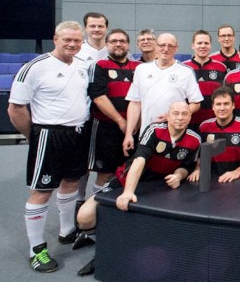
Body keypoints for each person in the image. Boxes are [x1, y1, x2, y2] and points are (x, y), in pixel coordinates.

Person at [74, 102, 201, 277]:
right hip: (127, 180)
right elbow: (139, 160)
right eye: (176, 114)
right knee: (85, 217)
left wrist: (178, 176)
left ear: (190, 117)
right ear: (168, 116)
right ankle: (101, 245)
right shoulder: (154, 131)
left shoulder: (195, 139)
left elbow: (186, 166)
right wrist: (128, 191)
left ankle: (106, 252)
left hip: (159, 186)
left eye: (184, 114)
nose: (180, 118)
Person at [7, 21, 90, 273]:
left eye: (77, 40)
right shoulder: (34, 67)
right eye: (67, 40)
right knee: (42, 191)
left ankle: (67, 231)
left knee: (71, 183)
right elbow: (15, 108)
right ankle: (36, 249)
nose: (73, 44)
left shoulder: (83, 67)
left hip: (77, 134)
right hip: (48, 135)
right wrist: (34, 137)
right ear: (56, 39)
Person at [123, 33, 203, 147]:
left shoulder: (186, 72)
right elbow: (135, 103)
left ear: (176, 48)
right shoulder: (141, 69)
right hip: (146, 134)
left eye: (170, 46)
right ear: (156, 46)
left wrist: (173, 115)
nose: (166, 49)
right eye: (162, 45)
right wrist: (128, 134)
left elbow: (196, 103)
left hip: (174, 136)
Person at [87, 28, 140, 195]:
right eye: (114, 41)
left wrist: (134, 124)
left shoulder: (139, 67)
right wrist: (120, 120)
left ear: (128, 45)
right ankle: (96, 208)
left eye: (122, 41)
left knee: (131, 170)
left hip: (134, 129)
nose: (118, 44)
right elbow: (98, 97)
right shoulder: (99, 66)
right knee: (105, 173)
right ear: (107, 45)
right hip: (105, 128)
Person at [188, 86, 240, 183]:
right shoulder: (204, 127)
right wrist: (198, 169)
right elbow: (199, 155)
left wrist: (237, 172)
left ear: (233, 105)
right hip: (212, 181)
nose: (222, 108)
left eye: (226, 104)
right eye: (218, 104)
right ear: (213, 107)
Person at [184, 29, 228, 131]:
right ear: (193, 45)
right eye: (199, 43)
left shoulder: (221, 68)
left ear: (210, 45)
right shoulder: (184, 68)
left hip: (213, 124)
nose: (203, 46)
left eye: (206, 43)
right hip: (188, 123)